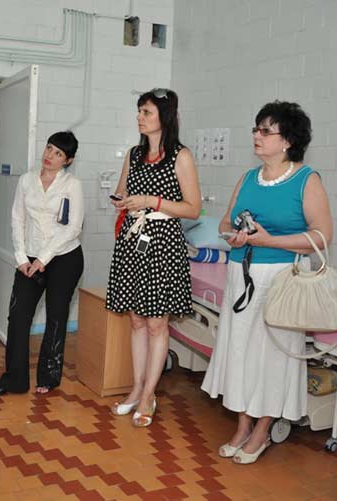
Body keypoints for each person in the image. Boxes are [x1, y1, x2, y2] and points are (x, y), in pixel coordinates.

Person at [201, 101, 332, 464]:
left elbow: (322, 236)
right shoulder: (248, 178)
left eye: (265, 131)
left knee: (273, 356)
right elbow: (225, 222)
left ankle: (262, 430)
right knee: (240, 352)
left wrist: (269, 240)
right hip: (241, 275)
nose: (257, 136)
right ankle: (243, 425)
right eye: (256, 129)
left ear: (287, 140)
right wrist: (233, 236)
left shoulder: (306, 180)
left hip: (281, 280)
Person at [106, 88, 202, 427]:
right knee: (136, 320)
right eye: (139, 111)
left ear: (165, 116)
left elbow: (193, 208)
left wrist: (152, 201)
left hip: (162, 242)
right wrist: (123, 201)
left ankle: (149, 395)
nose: (140, 117)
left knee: (157, 323)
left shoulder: (180, 156)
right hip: (134, 240)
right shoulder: (133, 154)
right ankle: (136, 389)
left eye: (146, 112)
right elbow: (123, 192)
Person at [0, 131, 84, 396]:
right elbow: (17, 219)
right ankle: (15, 379)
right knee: (18, 317)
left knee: (56, 316)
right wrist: (22, 258)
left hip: (64, 258)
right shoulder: (26, 180)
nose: (49, 156)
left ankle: (49, 377)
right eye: (49, 148)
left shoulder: (72, 185)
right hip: (28, 258)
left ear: (68, 160)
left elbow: (73, 227)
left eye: (58, 153)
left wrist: (43, 258)